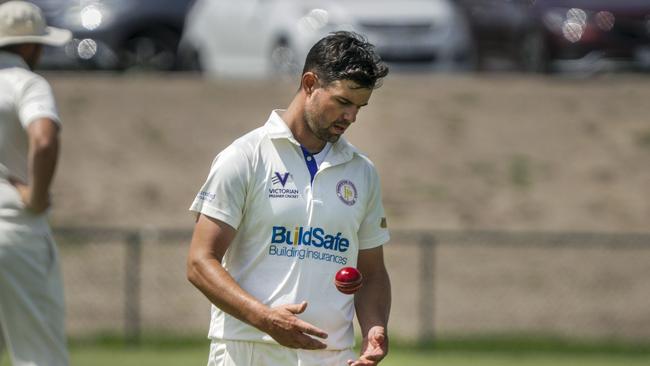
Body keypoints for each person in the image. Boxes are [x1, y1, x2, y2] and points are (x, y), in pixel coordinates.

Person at [187, 31, 391, 366]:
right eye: (343, 102)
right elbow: (199, 261)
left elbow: (370, 273)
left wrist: (374, 327)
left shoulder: (362, 172)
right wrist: (265, 319)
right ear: (310, 83)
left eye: (359, 107)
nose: (351, 117)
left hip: (332, 356)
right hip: (249, 351)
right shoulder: (245, 157)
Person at [0, 1, 72, 365]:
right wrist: (36, 197)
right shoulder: (27, 83)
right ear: (28, 46)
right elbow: (43, 140)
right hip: (13, 227)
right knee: (39, 356)